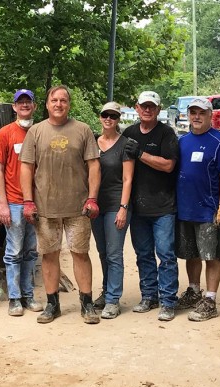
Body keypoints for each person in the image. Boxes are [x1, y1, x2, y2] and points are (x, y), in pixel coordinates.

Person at [20, 85, 101, 324]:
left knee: (80, 253)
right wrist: (28, 201)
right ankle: (52, 304)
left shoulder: (83, 130)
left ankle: (87, 304)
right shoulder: (35, 132)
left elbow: (94, 165)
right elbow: (27, 167)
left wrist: (92, 198)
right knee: (49, 255)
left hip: (78, 206)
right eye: (54, 100)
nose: (58, 104)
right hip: (45, 207)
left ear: (69, 104)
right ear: (46, 104)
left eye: (63, 100)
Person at [121, 91, 180, 322]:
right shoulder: (129, 133)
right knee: (143, 254)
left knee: (165, 254)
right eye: (143, 106)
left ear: (158, 109)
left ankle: (167, 300)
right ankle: (149, 296)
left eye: (152, 106)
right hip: (138, 207)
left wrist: (140, 153)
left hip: (164, 205)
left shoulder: (166, 134)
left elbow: (168, 165)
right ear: (136, 107)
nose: (147, 110)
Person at [175, 97, 220, 322]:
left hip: (209, 210)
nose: (196, 117)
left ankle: (210, 299)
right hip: (185, 208)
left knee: (210, 255)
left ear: (211, 115)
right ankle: (193, 290)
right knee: (191, 253)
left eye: (201, 113)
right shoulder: (182, 141)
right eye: (193, 113)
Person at [0, 89, 43, 317]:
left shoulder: (40, 132)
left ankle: (28, 295)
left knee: (31, 251)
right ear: (14, 107)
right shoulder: (5, 133)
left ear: (34, 105)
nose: (24, 105)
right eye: (20, 102)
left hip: (37, 203)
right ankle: (14, 298)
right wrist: (1, 203)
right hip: (13, 202)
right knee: (13, 251)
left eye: (28, 102)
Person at [90, 102, 134, 319]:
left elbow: (128, 179)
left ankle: (113, 299)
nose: (109, 119)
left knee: (114, 253)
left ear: (118, 119)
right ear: (100, 117)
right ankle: (106, 291)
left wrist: (123, 208)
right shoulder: (92, 142)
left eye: (113, 116)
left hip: (116, 204)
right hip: (96, 205)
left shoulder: (125, 144)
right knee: (102, 252)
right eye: (105, 115)